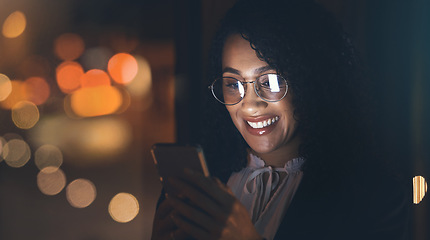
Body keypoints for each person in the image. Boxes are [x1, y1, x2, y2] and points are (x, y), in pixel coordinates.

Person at [151, 0, 410, 239]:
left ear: (310, 80)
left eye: (270, 81)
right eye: (233, 83)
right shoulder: (201, 187)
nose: (250, 104)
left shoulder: (373, 197)